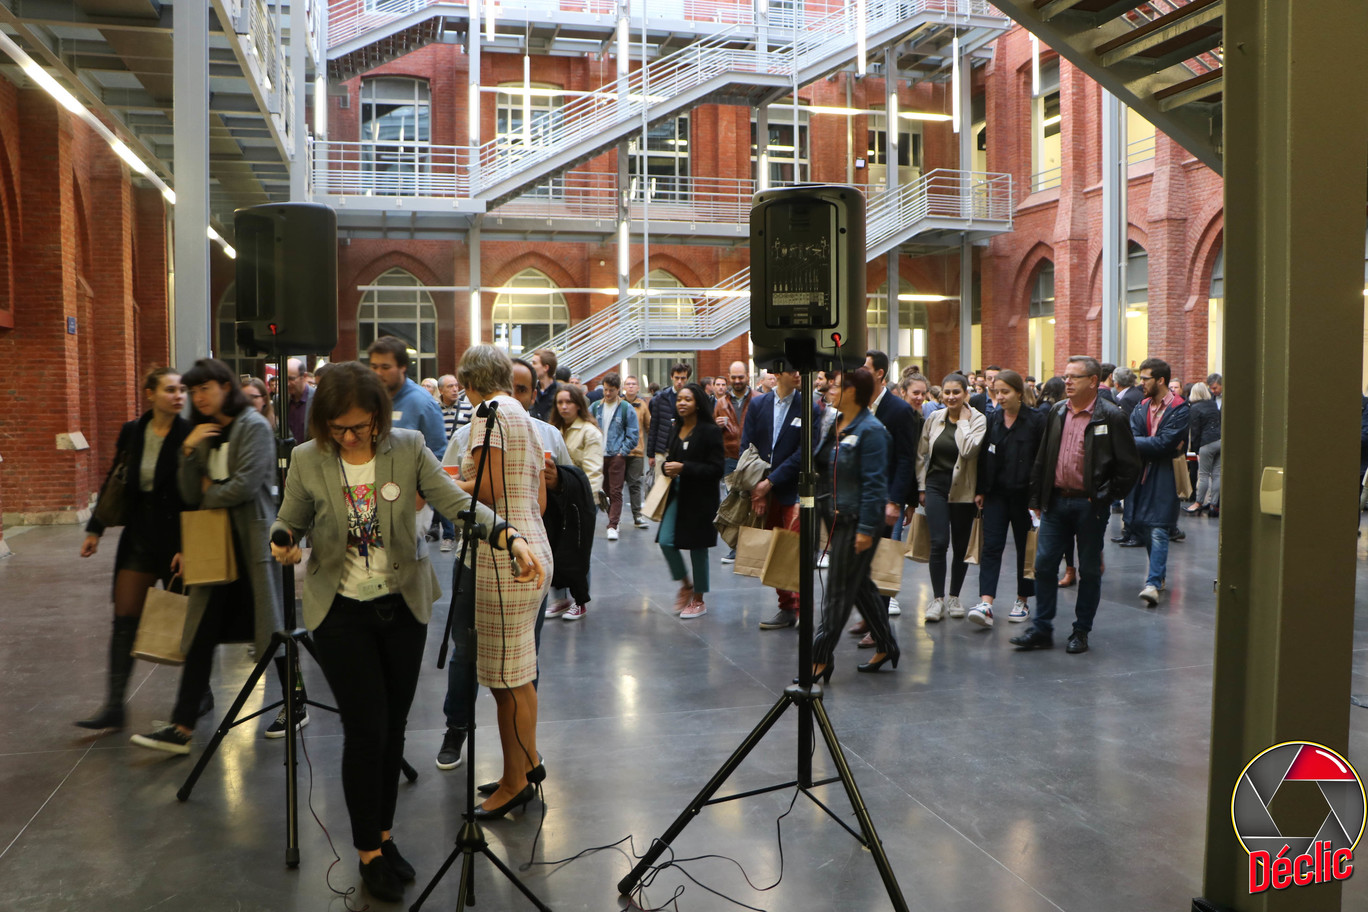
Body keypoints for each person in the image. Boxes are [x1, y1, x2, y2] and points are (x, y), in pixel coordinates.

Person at [269, 360, 545, 903]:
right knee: (365, 730)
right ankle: (367, 851)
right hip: (339, 612)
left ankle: (385, 835)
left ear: (378, 415)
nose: (349, 437)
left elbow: (457, 504)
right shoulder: (307, 458)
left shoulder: (408, 447)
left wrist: (509, 536)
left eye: (359, 426)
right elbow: (289, 518)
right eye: (338, 428)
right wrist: (283, 539)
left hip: (402, 607)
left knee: (393, 728)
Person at [130, 359, 289, 753]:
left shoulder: (253, 426)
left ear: (225, 387)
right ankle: (182, 726)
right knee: (201, 631)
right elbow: (188, 492)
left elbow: (245, 486)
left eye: (206, 388)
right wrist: (188, 450)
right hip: (212, 544)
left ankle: (295, 701)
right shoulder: (203, 432)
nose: (198, 397)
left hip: (251, 544)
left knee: (271, 629)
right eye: (194, 390)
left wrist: (209, 490)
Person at [76, 367, 191, 730]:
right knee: (125, 617)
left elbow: (197, 496)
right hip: (140, 535)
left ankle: (199, 694)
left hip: (178, 539)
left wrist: (189, 545)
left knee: (189, 620)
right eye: (170, 389)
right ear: (150, 394)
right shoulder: (133, 431)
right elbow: (116, 476)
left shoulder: (190, 433)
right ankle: (114, 705)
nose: (178, 395)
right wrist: (95, 529)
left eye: (181, 390)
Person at [1010, 357, 1140, 655]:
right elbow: (1044, 457)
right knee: (1044, 564)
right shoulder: (1057, 411)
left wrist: (1105, 496)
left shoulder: (1111, 416)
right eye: (1065, 376)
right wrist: (1037, 497)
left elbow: (1129, 466)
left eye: (1074, 377)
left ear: (1093, 381)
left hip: (1089, 505)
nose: (1066, 381)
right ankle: (1042, 628)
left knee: (1089, 570)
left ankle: (1081, 630)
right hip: (1056, 501)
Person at [811, 368, 898, 676]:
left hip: (857, 522)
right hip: (836, 517)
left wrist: (865, 530)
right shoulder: (837, 423)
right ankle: (887, 645)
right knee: (859, 585)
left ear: (851, 392)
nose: (830, 390)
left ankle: (820, 658)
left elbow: (875, 485)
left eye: (836, 386)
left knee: (837, 591)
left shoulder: (872, 431)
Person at [967, 369, 1045, 628]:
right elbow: (983, 457)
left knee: (1025, 549)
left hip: (1025, 497)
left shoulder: (1036, 420)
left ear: (1019, 393)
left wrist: (1038, 500)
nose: (999, 397)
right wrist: (980, 490)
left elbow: (1042, 461)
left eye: (1005, 392)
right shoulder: (993, 420)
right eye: (996, 392)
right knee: (991, 546)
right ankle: (986, 602)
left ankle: (1022, 600)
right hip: (996, 494)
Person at [740, 366, 807, 629]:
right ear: (777, 374)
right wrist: (756, 489)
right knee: (773, 549)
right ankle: (786, 607)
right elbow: (747, 447)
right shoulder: (759, 405)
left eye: (799, 370)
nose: (798, 374)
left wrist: (771, 482)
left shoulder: (808, 406)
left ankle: (801, 608)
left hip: (793, 489)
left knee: (793, 548)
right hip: (762, 490)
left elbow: (804, 452)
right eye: (792, 370)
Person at [917, 373, 986, 622]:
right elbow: (921, 453)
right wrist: (921, 487)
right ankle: (937, 599)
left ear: (966, 393)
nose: (951, 396)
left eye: (956, 392)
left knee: (960, 546)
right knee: (938, 542)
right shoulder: (935, 418)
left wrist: (963, 423)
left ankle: (955, 596)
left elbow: (968, 451)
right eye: (946, 392)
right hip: (936, 485)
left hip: (963, 488)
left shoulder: (978, 420)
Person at [656, 382, 725, 619]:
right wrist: (667, 468)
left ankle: (699, 599)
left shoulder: (710, 431)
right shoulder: (676, 428)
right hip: (677, 494)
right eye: (679, 399)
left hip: (701, 498)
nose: (682, 403)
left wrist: (684, 468)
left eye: (687, 399)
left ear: (698, 404)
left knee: (698, 547)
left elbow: (716, 469)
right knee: (666, 541)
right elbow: (671, 461)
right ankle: (686, 585)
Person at [1129, 358, 1190, 606]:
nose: (1141, 383)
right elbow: (1133, 436)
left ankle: (1153, 583)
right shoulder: (1141, 406)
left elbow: (1165, 443)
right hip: (1141, 474)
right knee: (1144, 526)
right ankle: (1159, 576)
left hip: (1166, 474)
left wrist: (1142, 443)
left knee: (1158, 527)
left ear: (1160, 380)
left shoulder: (1179, 408)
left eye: (1145, 378)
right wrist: (1151, 444)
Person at [551, 383, 603, 620]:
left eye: (568, 402)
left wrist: (586, 502)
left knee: (578, 551)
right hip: (556, 497)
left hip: (580, 500)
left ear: (578, 405)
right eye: (560, 402)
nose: (563, 406)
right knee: (554, 547)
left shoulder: (589, 432)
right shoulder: (553, 429)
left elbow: (593, 471)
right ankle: (561, 599)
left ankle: (580, 600)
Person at [589, 372, 639, 541]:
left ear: (618, 390)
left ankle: (613, 524)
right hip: (598, 456)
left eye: (611, 390)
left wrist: (622, 452)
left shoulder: (625, 408)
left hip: (616, 455)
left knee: (616, 491)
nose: (607, 393)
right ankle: (613, 519)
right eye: (605, 389)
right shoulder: (595, 407)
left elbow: (633, 434)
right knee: (602, 491)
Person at [649, 362, 691, 485]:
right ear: (671, 377)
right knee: (660, 486)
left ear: (687, 379)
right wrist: (651, 454)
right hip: (662, 448)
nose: (679, 382)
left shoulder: (691, 398)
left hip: (683, 449)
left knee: (682, 486)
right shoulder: (661, 398)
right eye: (677, 378)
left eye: (683, 378)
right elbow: (654, 426)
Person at [1186, 381, 1222, 517]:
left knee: (1203, 475)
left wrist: (1196, 450)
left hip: (1206, 443)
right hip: (1219, 440)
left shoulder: (1194, 408)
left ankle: (1198, 503)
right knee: (1217, 474)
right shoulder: (1213, 404)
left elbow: (1195, 431)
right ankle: (1213, 505)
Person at [621, 375, 652, 528]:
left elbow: (649, 427)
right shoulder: (619, 403)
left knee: (635, 484)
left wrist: (652, 450)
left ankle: (637, 516)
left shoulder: (642, 405)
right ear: (624, 387)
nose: (631, 386)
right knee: (615, 487)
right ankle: (614, 519)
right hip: (619, 451)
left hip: (637, 451)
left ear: (638, 387)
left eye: (634, 384)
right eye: (628, 384)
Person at [529, 349, 560, 422]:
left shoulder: (560, 391)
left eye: (534, 363)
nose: (531, 367)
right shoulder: (531, 390)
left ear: (546, 367)